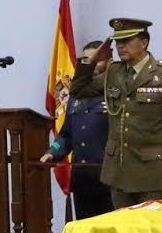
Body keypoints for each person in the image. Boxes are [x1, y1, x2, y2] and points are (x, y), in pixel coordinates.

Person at [70, 17, 162, 209]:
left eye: (126, 41)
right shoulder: (114, 73)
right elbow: (78, 90)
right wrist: (91, 60)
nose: (121, 46)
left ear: (144, 42)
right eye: (117, 42)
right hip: (119, 174)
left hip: (155, 175)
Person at [39, 40, 113, 220]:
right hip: (82, 177)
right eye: (87, 60)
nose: (92, 65)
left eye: (97, 60)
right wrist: (52, 152)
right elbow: (66, 135)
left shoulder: (116, 92)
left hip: (110, 178)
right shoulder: (76, 96)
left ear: (109, 62)